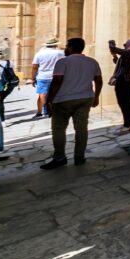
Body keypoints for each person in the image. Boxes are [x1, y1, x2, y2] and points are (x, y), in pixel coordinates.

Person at [40, 37, 102, 170]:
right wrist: (96, 96)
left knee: (58, 129)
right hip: (85, 98)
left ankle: (59, 157)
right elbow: (99, 80)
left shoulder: (63, 62)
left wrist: (49, 101)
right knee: (81, 129)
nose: (65, 48)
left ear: (72, 48)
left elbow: (56, 82)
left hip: (63, 99)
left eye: (67, 46)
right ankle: (79, 157)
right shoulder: (92, 62)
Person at [108, 39, 130, 133]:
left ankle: (128, 124)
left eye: (126, 44)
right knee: (124, 102)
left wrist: (111, 42)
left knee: (126, 102)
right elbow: (121, 64)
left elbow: (113, 48)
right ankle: (127, 123)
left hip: (124, 79)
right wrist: (114, 56)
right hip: (125, 79)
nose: (124, 46)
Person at [30, 37, 64, 119]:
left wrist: (33, 78)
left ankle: (39, 112)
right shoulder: (60, 53)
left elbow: (35, 67)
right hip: (56, 76)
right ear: (55, 45)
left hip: (42, 76)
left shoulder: (39, 53)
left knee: (42, 95)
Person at [0, 49, 19, 121]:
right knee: (0, 100)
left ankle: (2, 120)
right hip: (10, 85)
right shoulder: (9, 62)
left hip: (0, 84)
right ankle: (1, 119)